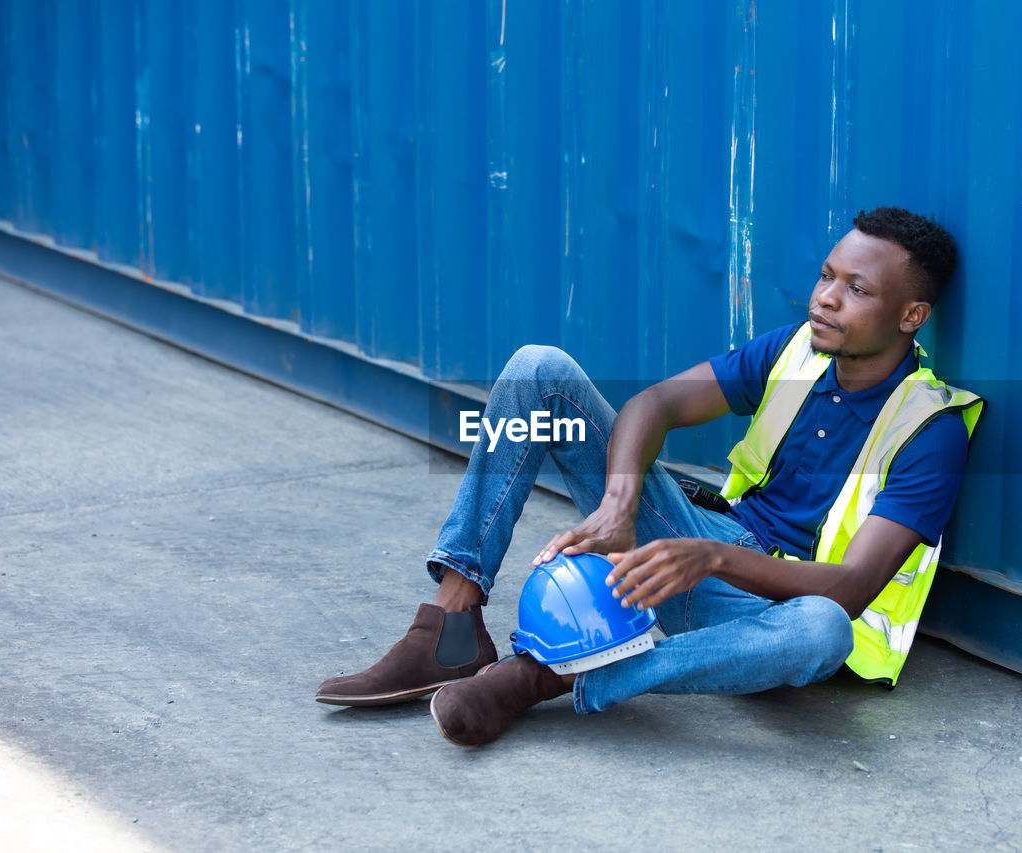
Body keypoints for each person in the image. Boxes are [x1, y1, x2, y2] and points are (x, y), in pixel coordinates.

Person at [316, 206, 983, 747]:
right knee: (537, 367)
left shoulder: (931, 430)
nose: (827, 298)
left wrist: (711, 558)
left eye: (857, 289)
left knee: (823, 632)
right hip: (679, 543)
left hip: (760, 608)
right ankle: (452, 627)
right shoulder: (795, 349)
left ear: (911, 315)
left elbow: (851, 588)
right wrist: (619, 504)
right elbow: (654, 404)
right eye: (826, 275)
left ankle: (553, 677)